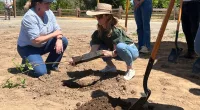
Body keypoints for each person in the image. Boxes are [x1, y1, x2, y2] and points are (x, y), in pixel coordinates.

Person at [70, 3, 139, 80]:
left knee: (120, 46)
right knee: (95, 45)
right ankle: (111, 67)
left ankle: (130, 69)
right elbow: (92, 53)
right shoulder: (98, 33)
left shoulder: (115, 31)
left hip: (131, 51)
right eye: (96, 16)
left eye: (100, 16)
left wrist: (108, 53)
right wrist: (77, 60)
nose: (97, 19)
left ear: (107, 17)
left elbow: (116, 51)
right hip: (118, 52)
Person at [17, 0, 68, 77]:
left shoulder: (49, 13)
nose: (49, 4)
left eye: (50, 2)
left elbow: (57, 29)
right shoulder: (29, 17)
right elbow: (36, 40)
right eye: (46, 3)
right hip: (28, 48)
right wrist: (54, 34)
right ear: (38, 4)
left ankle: (50, 66)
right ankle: (26, 64)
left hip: (42, 45)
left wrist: (59, 39)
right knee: (40, 72)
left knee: (63, 41)